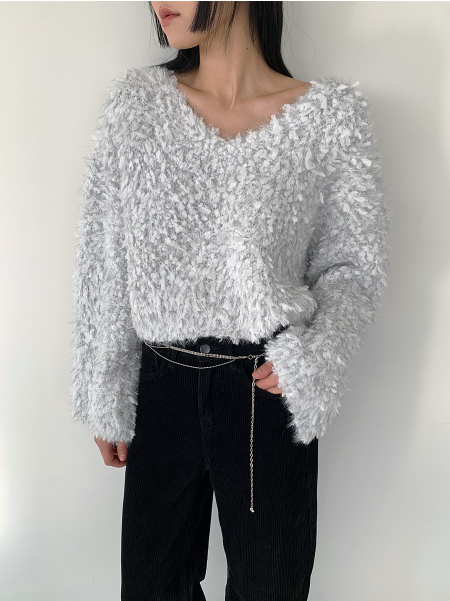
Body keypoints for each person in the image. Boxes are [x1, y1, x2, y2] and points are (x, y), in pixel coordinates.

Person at [69, 2, 392, 599]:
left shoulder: (328, 119)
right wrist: (104, 388)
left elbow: (353, 268)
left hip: (266, 389)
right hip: (160, 385)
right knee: (150, 589)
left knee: (271, 588)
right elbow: (106, 259)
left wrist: (314, 357)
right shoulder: (137, 107)